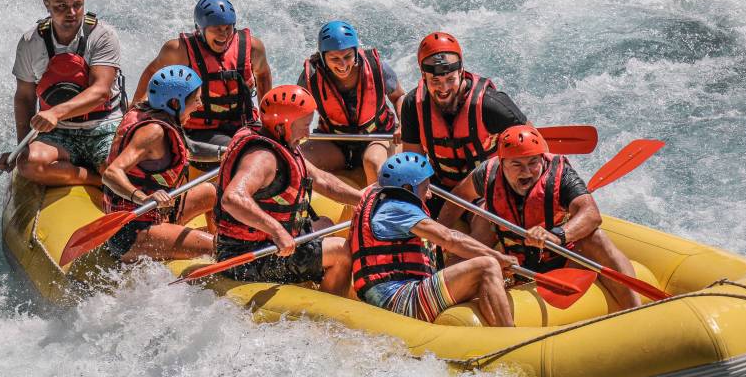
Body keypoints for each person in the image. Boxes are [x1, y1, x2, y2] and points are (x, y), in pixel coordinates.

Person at [448, 126, 641, 310]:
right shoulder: (487, 174)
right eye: (517, 164)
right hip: (516, 267)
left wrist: (557, 236)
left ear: (542, 159)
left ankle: (636, 309)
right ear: (502, 163)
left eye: (533, 163)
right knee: (481, 223)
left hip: (564, 259)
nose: (527, 172)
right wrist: (436, 235)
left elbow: (591, 214)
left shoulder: (561, 174)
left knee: (596, 237)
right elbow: (458, 197)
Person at [214, 85, 363, 295]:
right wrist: (276, 231)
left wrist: (366, 199)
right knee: (342, 252)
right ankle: (329, 314)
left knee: (325, 224)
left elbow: (322, 180)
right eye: (304, 125)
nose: (307, 132)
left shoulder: (281, 142)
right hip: (249, 258)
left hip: (262, 244)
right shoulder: (263, 158)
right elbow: (232, 198)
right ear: (282, 125)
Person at [349, 153, 518, 326]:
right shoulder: (396, 208)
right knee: (487, 266)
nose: (429, 195)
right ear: (407, 188)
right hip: (398, 301)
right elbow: (449, 238)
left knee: (490, 276)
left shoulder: (381, 202)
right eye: (425, 188)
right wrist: (498, 258)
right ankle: (511, 338)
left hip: (389, 297)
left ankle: (492, 332)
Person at [0, 0, 127, 186]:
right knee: (29, 165)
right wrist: (22, 148)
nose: (72, 12)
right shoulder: (31, 42)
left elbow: (100, 91)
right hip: (59, 131)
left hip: (103, 125)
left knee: (125, 167)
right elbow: (25, 97)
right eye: (61, 6)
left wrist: (56, 112)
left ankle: (107, 173)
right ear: (47, 4)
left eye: (78, 5)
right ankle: (99, 181)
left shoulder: (103, 36)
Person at [400, 31, 528, 216]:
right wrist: (418, 189)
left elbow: (531, 148)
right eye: (435, 81)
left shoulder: (490, 105)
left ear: (460, 71)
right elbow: (414, 160)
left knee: (482, 220)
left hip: (486, 188)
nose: (443, 89)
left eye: (450, 79)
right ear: (423, 76)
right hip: (441, 187)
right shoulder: (413, 104)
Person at [133, 0, 272, 158]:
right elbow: (152, 73)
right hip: (199, 131)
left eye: (228, 28)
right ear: (200, 29)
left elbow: (263, 75)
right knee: (247, 149)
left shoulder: (253, 48)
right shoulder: (179, 50)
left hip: (245, 124)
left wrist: (267, 119)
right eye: (216, 29)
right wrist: (135, 111)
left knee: (272, 144)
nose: (224, 35)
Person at [101, 65, 216, 262]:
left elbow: (189, 150)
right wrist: (142, 198)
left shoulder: (158, 113)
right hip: (134, 230)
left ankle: (212, 242)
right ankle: (215, 250)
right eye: (195, 99)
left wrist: (226, 151)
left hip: (158, 213)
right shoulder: (153, 132)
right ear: (174, 102)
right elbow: (111, 173)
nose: (200, 104)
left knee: (211, 192)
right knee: (217, 248)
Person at [297, 20, 406, 185]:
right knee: (296, 158)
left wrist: (403, 124)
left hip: (377, 135)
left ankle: (374, 206)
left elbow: (399, 97)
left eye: (347, 56)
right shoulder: (310, 78)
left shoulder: (377, 68)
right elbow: (298, 111)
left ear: (355, 52)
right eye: (334, 58)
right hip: (335, 142)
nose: (342, 64)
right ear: (323, 57)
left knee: (373, 162)